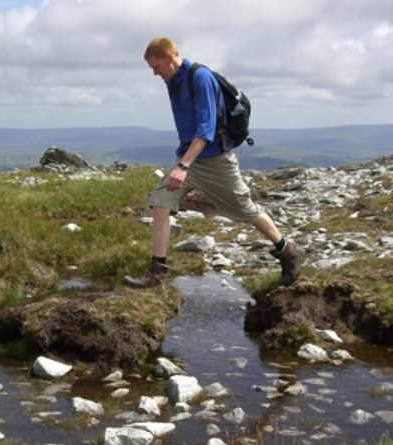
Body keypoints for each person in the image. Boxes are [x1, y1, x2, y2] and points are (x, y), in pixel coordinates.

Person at [122, 37, 304, 288]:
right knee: (160, 203)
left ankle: (289, 251)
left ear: (170, 58)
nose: (154, 73)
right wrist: (184, 164)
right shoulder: (172, 81)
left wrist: (183, 168)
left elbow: (206, 131)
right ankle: (157, 273)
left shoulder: (201, 78)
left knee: (245, 210)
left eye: (156, 67)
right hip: (189, 156)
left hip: (216, 161)